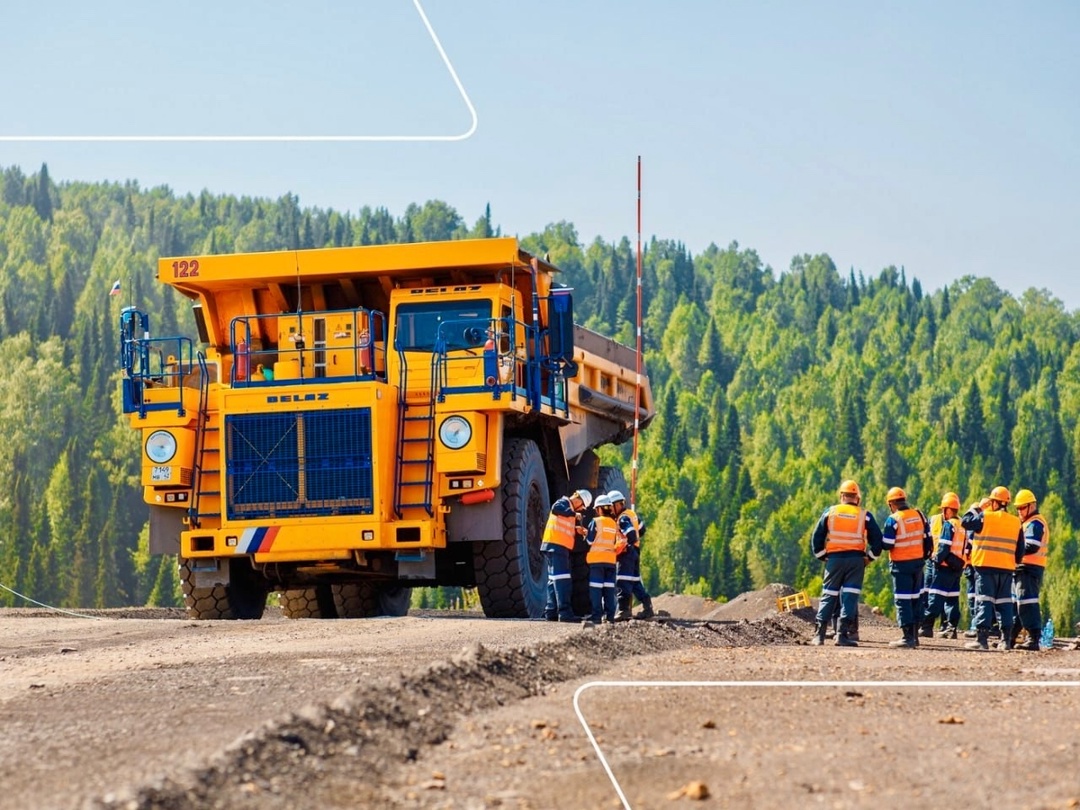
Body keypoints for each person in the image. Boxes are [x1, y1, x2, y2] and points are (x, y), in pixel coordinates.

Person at [809, 479, 883, 647]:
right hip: (855, 561)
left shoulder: (830, 512)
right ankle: (842, 635)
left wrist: (822, 556)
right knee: (849, 597)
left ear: (842, 496)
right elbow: (878, 541)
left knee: (829, 594)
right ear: (857, 498)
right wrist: (869, 558)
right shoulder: (865, 515)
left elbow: (816, 537)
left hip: (834, 560)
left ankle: (819, 636)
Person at [961, 486, 1024, 651]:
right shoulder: (1016, 522)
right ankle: (1005, 641)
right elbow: (1020, 550)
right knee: (1005, 604)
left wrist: (978, 508)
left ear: (994, 502)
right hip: (1006, 568)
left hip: (985, 566)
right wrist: (1012, 562)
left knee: (984, 601)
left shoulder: (985, 517)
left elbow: (965, 521)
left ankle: (982, 640)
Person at [881, 486, 932, 648]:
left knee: (902, 600)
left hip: (901, 565)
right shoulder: (919, 515)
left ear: (891, 504)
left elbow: (888, 544)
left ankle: (907, 637)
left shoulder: (893, 519)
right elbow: (928, 538)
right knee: (915, 599)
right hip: (918, 563)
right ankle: (915, 636)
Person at [541, 488, 591, 622]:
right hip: (557, 545)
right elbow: (556, 508)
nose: (581, 510)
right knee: (562, 579)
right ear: (579, 500)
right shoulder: (563, 503)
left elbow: (562, 523)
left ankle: (551, 612)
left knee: (554, 579)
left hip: (555, 545)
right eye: (582, 507)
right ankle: (565, 613)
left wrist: (577, 529)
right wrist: (574, 514)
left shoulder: (568, 509)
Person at [922, 492, 965, 638]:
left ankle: (926, 627)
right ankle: (951, 628)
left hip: (944, 565)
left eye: (943, 509)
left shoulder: (949, 524)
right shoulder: (962, 524)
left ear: (948, 510)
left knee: (936, 596)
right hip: (957, 566)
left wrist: (936, 561)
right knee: (952, 598)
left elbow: (944, 547)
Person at [1011, 489, 1048, 651]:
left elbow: (1032, 546)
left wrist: (1013, 549)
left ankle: (1033, 639)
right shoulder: (1028, 522)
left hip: (1029, 568)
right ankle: (1010, 638)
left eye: (1022, 507)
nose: (1019, 511)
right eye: (1017, 508)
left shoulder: (1035, 523)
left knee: (1027, 603)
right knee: (1019, 604)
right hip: (1023, 568)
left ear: (1032, 506)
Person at [609, 489, 654, 621]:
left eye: (610, 507)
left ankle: (624, 611)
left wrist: (627, 544)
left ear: (617, 504)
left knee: (622, 580)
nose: (610, 510)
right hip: (635, 552)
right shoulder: (632, 514)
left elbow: (631, 534)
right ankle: (648, 608)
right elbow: (642, 529)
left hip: (626, 553)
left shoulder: (622, 518)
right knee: (634, 582)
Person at [584, 494, 623, 624]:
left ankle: (596, 616)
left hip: (597, 560)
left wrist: (585, 533)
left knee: (596, 588)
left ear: (599, 509)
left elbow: (590, 540)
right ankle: (610, 616)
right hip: (611, 561)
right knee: (608, 589)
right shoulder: (614, 523)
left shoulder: (595, 521)